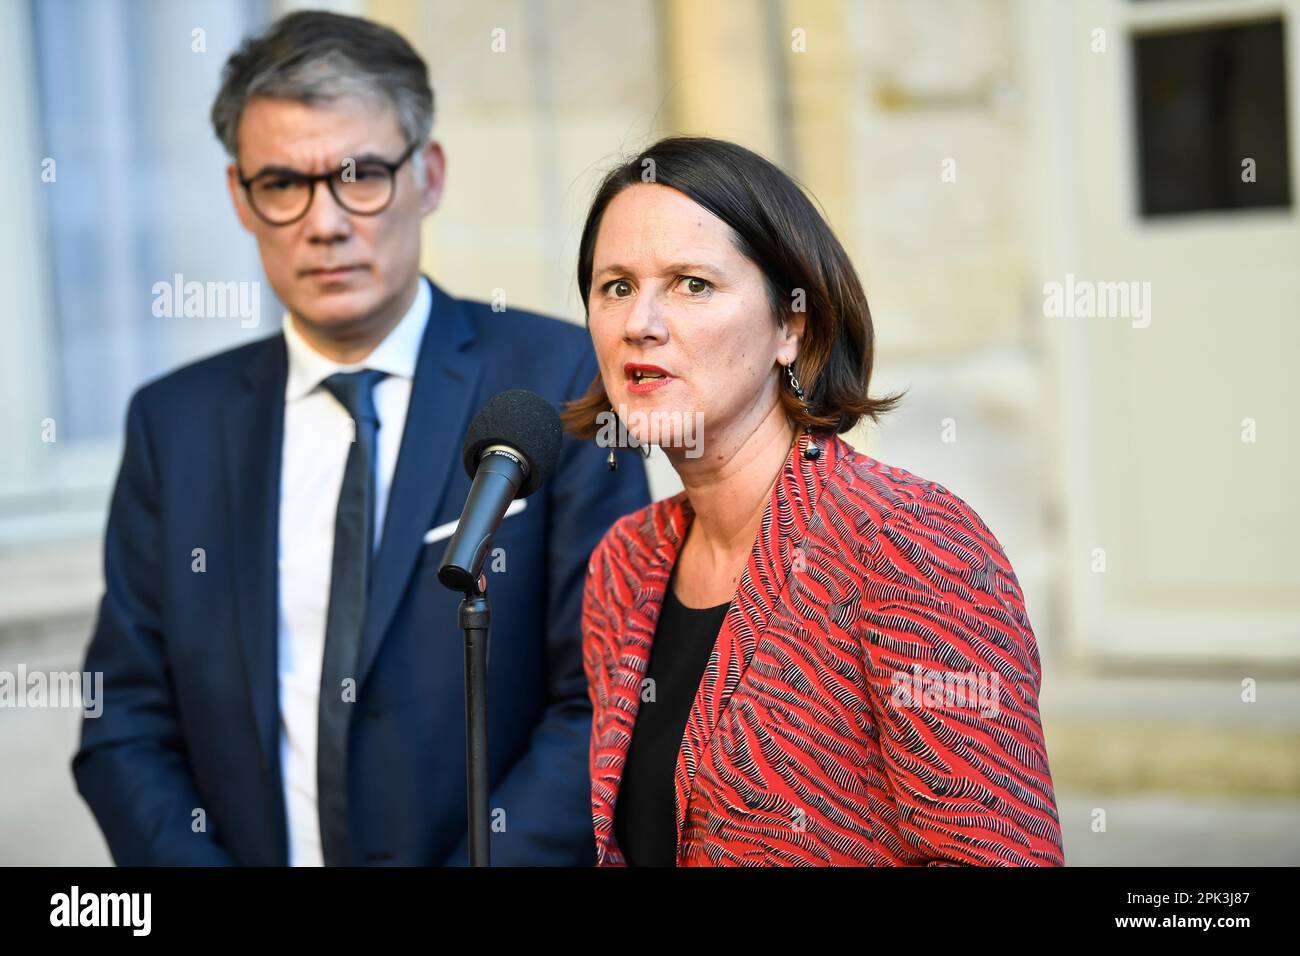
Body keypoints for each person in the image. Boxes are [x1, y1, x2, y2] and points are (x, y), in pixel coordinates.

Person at [72, 10, 649, 866]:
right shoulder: (173, 423)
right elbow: (125, 718)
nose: (326, 222)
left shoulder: (562, 382)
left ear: (429, 176)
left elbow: (600, 703)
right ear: (240, 197)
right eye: (283, 184)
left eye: (361, 176)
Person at [564, 136, 1064, 866]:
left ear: (791, 326)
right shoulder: (623, 566)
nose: (640, 321)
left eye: (691, 284)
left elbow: (996, 856)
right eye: (615, 287)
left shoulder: (904, 540)